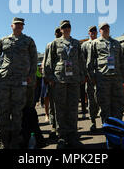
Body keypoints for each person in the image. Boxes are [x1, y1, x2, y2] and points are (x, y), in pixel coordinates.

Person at [0, 18, 38, 149]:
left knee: (17, 112)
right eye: (16, 24)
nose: (18, 26)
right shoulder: (3, 40)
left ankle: (16, 141)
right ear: (11, 26)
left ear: (23, 27)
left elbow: (34, 59)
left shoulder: (28, 40)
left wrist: (31, 76)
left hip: (21, 80)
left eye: (21, 25)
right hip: (4, 79)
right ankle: (5, 141)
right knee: (3, 111)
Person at [44, 20, 86, 149]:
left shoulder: (76, 43)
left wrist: (83, 75)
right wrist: (49, 77)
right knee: (60, 108)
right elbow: (49, 62)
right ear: (61, 30)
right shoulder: (55, 43)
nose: (66, 29)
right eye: (64, 27)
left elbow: (81, 60)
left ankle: (73, 135)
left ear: (70, 28)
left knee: (73, 107)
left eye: (68, 27)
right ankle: (61, 136)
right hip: (59, 79)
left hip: (73, 79)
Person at [87, 23, 124, 125]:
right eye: (103, 28)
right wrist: (93, 78)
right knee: (104, 104)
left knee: (118, 103)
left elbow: (122, 61)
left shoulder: (116, 43)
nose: (105, 30)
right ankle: (107, 127)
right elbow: (90, 63)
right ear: (99, 31)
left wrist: (123, 76)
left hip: (116, 78)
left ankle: (118, 126)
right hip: (102, 78)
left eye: (107, 28)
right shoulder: (95, 43)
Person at [41, 27, 62, 141]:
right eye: (57, 32)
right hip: (53, 78)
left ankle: (63, 127)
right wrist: (46, 76)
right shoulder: (50, 44)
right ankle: (54, 126)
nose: (58, 33)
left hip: (64, 78)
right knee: (53, 104)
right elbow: (45, 61)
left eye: (60, 32)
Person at [80, 26, 100, 132]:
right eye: (91, 31)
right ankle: (93, 121)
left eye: (94, 31)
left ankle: (105, 121)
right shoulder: (84, 45)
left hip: (101, 75)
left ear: (97, 32)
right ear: (88, 33)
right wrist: (84, 75)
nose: (93, 33)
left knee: (102, 99)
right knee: (91, 100)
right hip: (90, 76)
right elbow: (82, 61)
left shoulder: (101, 43)